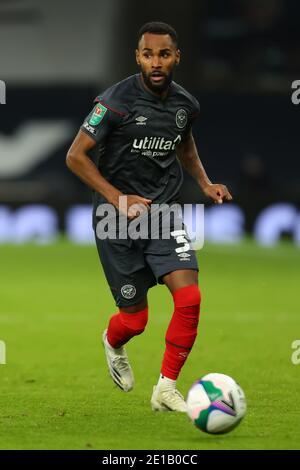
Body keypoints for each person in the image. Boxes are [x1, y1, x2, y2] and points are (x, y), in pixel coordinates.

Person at [66, 21, 232, 412]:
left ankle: (166, 386)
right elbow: (75, 155)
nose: (156, 62)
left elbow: (184, 143)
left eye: (164, 54)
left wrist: (205, 183)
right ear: (137, 57)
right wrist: (117, 197)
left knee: (189, 296)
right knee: (135, 320)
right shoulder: (113, 102)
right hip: (115, 220)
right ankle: (112, 342)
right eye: (148, 54)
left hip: (163, 213)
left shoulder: (185, 105)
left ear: (177, 57)